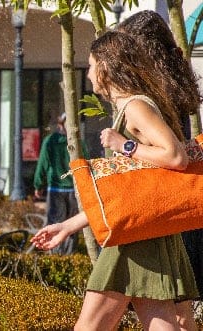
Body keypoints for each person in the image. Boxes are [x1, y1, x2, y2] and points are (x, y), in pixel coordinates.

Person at [30, 31, 198, 330]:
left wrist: (124, 145)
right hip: (139, 231)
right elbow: (129, 192)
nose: (89, 74)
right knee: (161, 322)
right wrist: (68, 226)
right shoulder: (132, 107)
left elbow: (175, 157)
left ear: (106, 67)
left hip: (134, 238)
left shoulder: (136, 107)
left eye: (91, 65)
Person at [117, 10, 203, 330]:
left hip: (163, 210)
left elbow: (171, 155)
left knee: (174, 311)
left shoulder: (149, 99)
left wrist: (125, 146)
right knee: (179, 312)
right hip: (181, 208)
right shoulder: (174, 86)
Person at [33, 113, 78, 255]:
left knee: (54, 224)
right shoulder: (78, 142)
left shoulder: (50, 141)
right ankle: (69, 257)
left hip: (56, 189)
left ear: (60, 124)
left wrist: (38, 185)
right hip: (74, 190)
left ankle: (56, 255)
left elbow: (43, 164)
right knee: (72, 226)